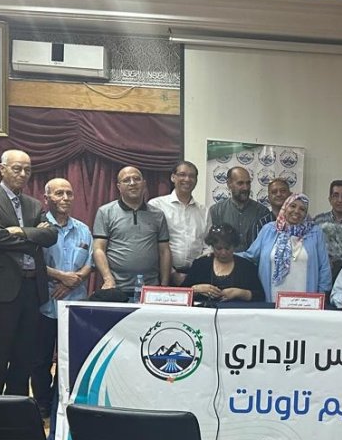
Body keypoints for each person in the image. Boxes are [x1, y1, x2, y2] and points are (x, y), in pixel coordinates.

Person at [0, 150, 57, 397]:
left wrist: (19, 231)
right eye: (17, 168)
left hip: (32, 288)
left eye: (27, 170)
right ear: (2, 169)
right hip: (2, 290)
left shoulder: (34, 204)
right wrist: (33, 238)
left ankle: (16, 408)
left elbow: (51, 235)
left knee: (24, 356)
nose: (22, 174)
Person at [31, 179, 92, 419]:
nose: (65, 198)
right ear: (46, 198)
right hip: (44, 304)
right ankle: (42, 403)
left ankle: (60, 401)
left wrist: (72, 281)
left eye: (69, 193)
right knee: (40, 359)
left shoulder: (83, 229)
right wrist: (61, 277)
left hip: (75, 305)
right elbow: (33, 263)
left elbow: (89, 263)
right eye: (59, 193)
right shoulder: (39, 228)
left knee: (68, 359)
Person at [92, 166, 171, 298]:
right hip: (116, 288)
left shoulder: (157, 215)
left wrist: (164, 285)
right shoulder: (105, 212)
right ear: (119, 186)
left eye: (136, 179)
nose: (132, 183)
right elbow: (98, 248)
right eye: (126, 180)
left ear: (144, 184)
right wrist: (108, 278)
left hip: (150, 288)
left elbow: (164, 251)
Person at [242, 193, 332, 301]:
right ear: (285, 207)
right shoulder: (269, 230)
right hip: (272, 300)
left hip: (306, 303)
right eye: (292, 206)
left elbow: (324, 267)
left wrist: (320, 296)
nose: (297, 211)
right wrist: (226, 255)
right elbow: (250, 256)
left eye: (302, 209)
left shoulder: (315, 233)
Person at [148, 161, 209, 284]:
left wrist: (197, 271)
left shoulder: (204, 211)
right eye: (182, 174)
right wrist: (171, 273)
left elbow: (208, 246)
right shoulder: (156, 206)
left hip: (196, 276)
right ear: (173, 177)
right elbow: (150, 244)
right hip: (163, 276)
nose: (187, 179)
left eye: (192, 176)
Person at [183, 224, 264, 303]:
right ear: (212, 246)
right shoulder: (200, 264)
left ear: (234, 246)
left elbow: (260, 296)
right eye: (219, 248)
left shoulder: (246, 267)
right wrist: (196, 289)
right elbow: (181, 293)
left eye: (227, 248)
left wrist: (240, 293)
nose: (223, 253)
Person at [207, 166, 273, 252]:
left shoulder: (262, 212)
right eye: (240, 183)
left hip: (253, 260)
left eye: (248, 183)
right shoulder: (216, 211)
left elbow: (267, 245)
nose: (245, 188)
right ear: (229, 184)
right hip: (226, 260)